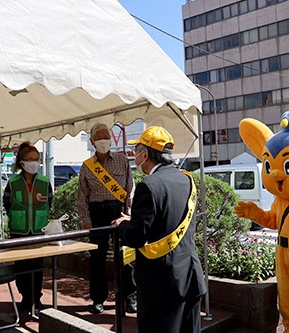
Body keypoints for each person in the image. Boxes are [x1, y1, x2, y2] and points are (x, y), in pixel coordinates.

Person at [112, 126, 206, 333]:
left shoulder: (149, 185)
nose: (134, 156)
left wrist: (123, 225)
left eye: (136, 151)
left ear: (145, 154)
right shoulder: (187, 179)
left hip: (162, 283)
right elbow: (170, 221)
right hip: (190, 276)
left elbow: (136, 238)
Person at [77, 123, 136, 315]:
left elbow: (130, 191)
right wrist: (86, 220)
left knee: (125, 256)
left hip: (118, 212)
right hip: (97, 214)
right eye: (100, 137)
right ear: (93, 142)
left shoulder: (123, 161)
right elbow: (82, 197)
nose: (104, 140)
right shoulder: (87, 166)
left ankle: (130, 297)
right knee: (97, 258)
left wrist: (128, 214)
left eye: (107, 137)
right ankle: (98, 299)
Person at [3, 142, 53, 312]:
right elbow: (7, 203)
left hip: (39, 230)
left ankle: (36, 298)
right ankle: (25, 297)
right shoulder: (13, 182)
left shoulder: (45, 182)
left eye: (36, 159)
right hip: (19, 231)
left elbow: (50, 202)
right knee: (22, 267)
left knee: (37, 267)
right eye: (30, 159)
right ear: (22, 162)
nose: (34, 163)